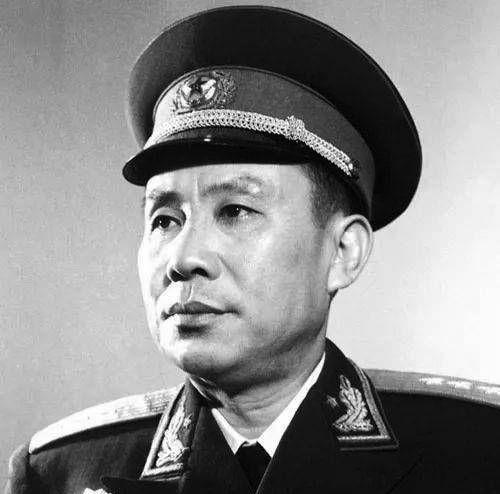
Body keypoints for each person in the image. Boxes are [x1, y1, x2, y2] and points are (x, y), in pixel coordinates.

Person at [5, 6, 500, 494]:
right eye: (165, 220)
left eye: (235, 211)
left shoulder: (479, 453)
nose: (182, 258)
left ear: (343, 252)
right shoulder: (59, 473)